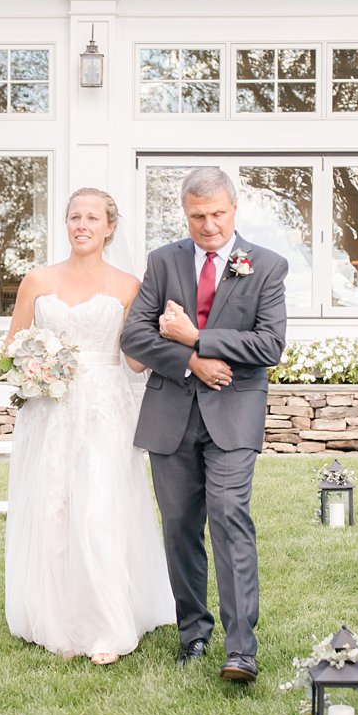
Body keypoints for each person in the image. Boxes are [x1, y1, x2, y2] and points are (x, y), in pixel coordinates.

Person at [121, 166, 288, 683]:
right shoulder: (163, 261)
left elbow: (269, 345)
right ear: (185, 214)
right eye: (197, 216)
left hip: (234, 415)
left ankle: (241, 648)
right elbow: (135, 337)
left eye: (217, 214)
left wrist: (197, 337)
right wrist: (191, 361)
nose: (208, 225)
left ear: (234, 209)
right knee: (179, 528)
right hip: (171, 413)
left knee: (229, 514)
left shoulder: (267, 266)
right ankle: (193, 631)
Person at [3, 188, 175, 665]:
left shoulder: (127, 285)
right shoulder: (36, 280)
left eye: (92, 218)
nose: (82, 224)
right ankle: (58, 622)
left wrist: (163, 332)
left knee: (100, 507)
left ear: (109, 228)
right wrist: (37, 367)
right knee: (54, 507)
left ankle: (105, 625)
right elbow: (12, 344)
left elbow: (136, 363)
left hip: (104, 405)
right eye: (74, 216)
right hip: (50, 409)